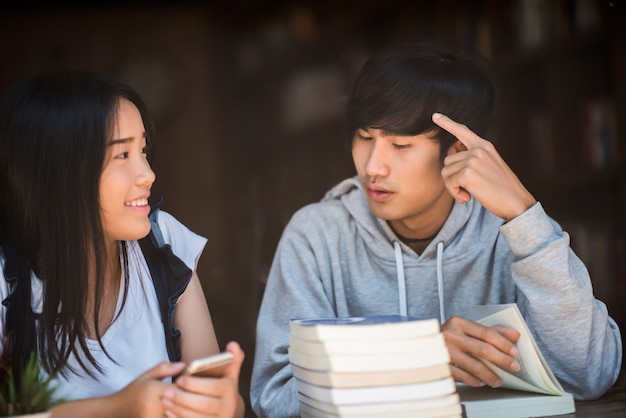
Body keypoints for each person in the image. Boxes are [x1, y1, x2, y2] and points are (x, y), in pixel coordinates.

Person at [250, 41, 623, 417]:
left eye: (400, 144)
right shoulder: (316, 236)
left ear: (459, 150)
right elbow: (274, 400)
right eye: (364, 137)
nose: (373, 166)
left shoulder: (513, 231)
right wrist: (416, 359)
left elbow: (590, 375)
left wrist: (525, 216)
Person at [0, 70, 245, 417]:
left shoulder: (163, 241)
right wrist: (117, 408)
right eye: (122, 155)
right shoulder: (7, 279)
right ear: (59, 176)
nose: (147, 173)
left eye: (143, 150)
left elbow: (218, 400)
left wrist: (227, 405)